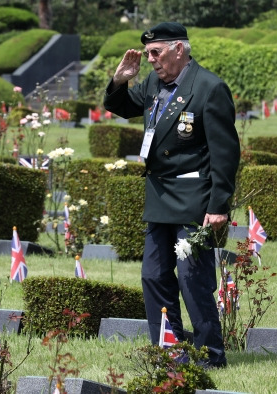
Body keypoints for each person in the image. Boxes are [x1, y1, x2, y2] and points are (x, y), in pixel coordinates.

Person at [103, 22, 240, 368]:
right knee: (153, 276)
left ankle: (211, 356)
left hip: (193, 200)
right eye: (147, 54)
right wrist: (120, 79)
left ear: (179, 49)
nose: (150, 60)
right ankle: (170, 351)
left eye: (156, 52)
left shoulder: (208, 87)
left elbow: (225, 153)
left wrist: (219, 205)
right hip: (159, 196)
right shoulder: (152, 84)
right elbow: (121, 106)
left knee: (193, 280)